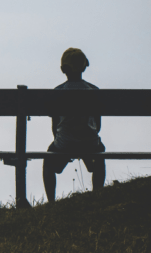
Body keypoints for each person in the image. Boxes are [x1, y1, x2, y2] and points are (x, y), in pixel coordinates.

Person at [43, 48, 106, 202]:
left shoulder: (57, 92)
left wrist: (63, 141)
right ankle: (97, 195)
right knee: (99, 151)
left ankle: (51, 202)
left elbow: (54, 126)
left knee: (48, 162)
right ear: (84, 67)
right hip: (89, 143)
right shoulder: (94, 91)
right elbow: (97, 126)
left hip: (64, 143)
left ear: (63, 69)